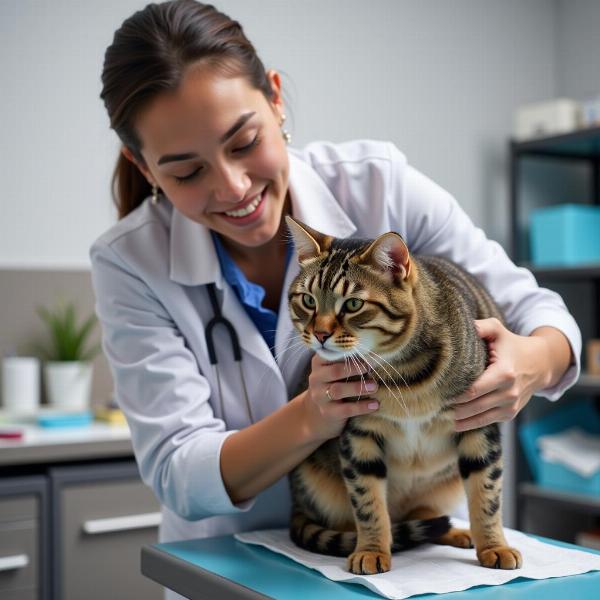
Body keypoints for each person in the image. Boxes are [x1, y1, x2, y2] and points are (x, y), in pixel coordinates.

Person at [92, 1, 580, 597]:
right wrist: (314, 415)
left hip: (413, 556)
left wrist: (530, 363)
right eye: (187, 173)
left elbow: (538, 312)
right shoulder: (129, 260)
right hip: (234, 568)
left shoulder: (377, 181)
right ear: (142, 166)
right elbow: (178, 471)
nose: (234, 188)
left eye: (244, 142)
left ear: (275, 99)